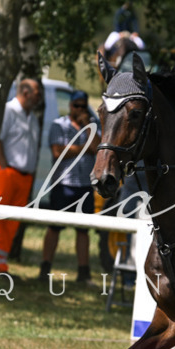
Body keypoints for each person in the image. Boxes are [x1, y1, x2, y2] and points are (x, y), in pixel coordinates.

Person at [0, 78, 42, 274]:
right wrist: (4, 167)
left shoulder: (32, 116)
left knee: (11, 222)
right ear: (25, 92)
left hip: (24, 177)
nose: (40, 98)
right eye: (37, 94)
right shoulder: (9, 111)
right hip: (6, 174)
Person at [39, 91, 100, 284]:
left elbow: (98, 149)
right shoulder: (59, 125)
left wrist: (88, 130)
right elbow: (59, 152)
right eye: (77, 106)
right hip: (63, 185)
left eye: (83, 106)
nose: (80, 109)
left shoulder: (93, 125)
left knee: (83, 231)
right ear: (70, 106)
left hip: (84, 186)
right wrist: (84, 147)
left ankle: (83, 273)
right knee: (54, 228)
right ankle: (45, 268)